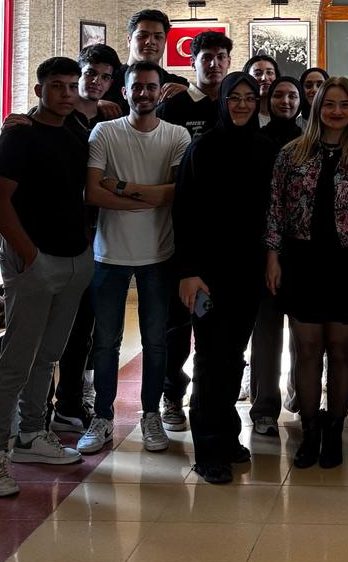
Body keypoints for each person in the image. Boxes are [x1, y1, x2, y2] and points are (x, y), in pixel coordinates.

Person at [0, 57, 94, 498]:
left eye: (72, 86)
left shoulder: (77, 129)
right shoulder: (19, 135)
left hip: (75, 259)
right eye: (57, 86)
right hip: (34, 262)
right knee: (17, 360)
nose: (66, 93)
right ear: (40, 89)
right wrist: (28, 255)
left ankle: (30, 435)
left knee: (48, 355)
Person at [265, 77, 348, 469]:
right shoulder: (291, 154)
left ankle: (334, 430)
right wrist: (272, 256)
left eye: (344, 105)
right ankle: (310, 431)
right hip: (301, 262)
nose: (336, 112)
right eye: (329, 104)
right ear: (317, 107)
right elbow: (276, 208)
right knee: (306, 351)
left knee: (341, 352)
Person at [77, 61, 190, 455]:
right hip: (109, 254)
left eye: (151, 87)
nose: (144, 93)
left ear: (161, 91)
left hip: (159, 254)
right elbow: (93, 193)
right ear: (124, 92)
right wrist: (149, 198)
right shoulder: (105, 132)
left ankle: (151, 415)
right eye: (136, 87)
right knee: (105, 343)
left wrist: (121, 187)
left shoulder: (176, 135)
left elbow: (175, 194)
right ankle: (102, 417)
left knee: (156, 343)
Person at [174, 73, 277, 483]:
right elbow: (184, 213)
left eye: (249, 98)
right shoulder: (203, 148)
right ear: (222, 101)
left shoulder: (264, 148)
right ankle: (207, 448)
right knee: (210, 358)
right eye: (234, 97)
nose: (242, 105)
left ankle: (228, 435)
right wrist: (188, 272)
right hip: (207, 275)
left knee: (233, 356)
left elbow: (271, 213)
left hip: (247, 272)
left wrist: (270, 260)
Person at [158, 31, 234, 432]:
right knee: (178, 324)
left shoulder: (235, 103)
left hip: (228, 239)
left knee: (221, 327)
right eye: (207, 57)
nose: (214, 64)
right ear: (193, 62)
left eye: (221, 57)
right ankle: (172, 395)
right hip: (183, 234)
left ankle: (217, 398)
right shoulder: (174, 106)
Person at [52, 43, 122, 432]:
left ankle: (73, 399)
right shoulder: (57, 117)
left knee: (88, 325)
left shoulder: (113, 118)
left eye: (105, 77)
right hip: (59, 235)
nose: (96, 82)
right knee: (62, 326)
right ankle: (54, 405)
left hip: (100, 234)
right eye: (91, 73)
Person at [248, 75, 304, 437]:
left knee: (303, 332)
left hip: (302, 251)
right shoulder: (258, 139)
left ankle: (300, 394)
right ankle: (264, 407)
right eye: (279, 95)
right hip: (264, 248)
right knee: (266, 333)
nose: (285, 101)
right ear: (269, 100)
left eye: (292, 96)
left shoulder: (310, 139)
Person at [105, 10, 188, 110]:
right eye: (143, 36)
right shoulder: (107, 80)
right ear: (129, 40)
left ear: (165, 42)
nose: (150, 41)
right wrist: (93, 104)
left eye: (157, 37)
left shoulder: (178, 85)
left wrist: (189, 95)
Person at [244, 52, 280, 126]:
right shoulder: (242, 114)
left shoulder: (285, 114)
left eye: (269, 72)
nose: (264, 78)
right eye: (257, 74)